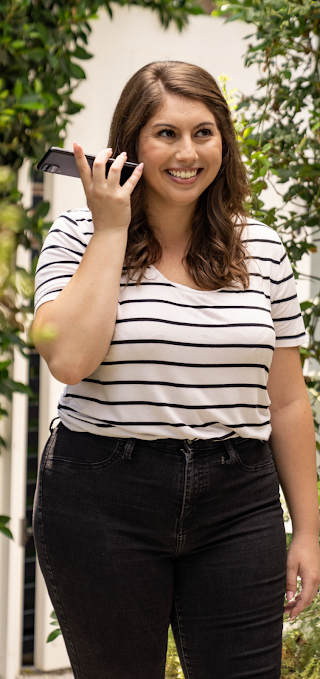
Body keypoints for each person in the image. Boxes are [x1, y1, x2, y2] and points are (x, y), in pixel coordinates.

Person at [33, 61, 320, 679]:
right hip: (102, 496)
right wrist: (111, 228)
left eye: (203, 132)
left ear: (224, 141)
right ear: (131, 142)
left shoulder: (262, 248)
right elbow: (70, 359)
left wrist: (308, 532)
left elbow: (289, 400)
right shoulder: (75, 235)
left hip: (238, 500)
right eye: (165, 133)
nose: (186, 152)